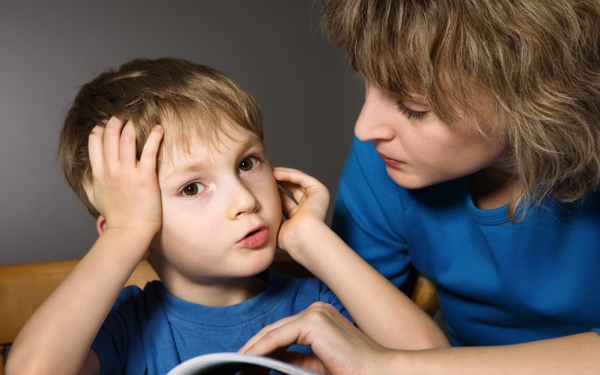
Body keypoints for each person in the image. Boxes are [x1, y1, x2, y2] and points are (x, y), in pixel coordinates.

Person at [6, 57, 447, 375]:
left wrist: (311, 237)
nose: (245, 200)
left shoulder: (317, 306)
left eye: (247, 163)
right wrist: (125, 232)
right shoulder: (125, 327)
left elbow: (432, 363)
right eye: (192, 187)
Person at [241, 0, 600, 373]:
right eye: (366, 82)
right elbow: (355, 329)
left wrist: (394, 367)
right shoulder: (382, 165)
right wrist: (308, 239)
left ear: (534, 95)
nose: (364, 129)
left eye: (412, 107)